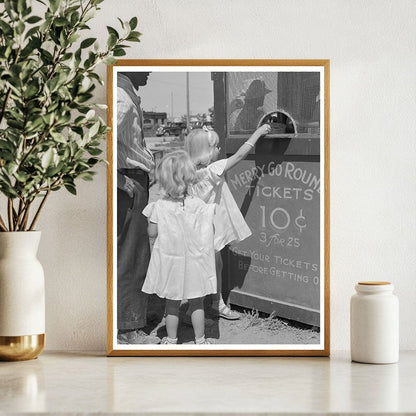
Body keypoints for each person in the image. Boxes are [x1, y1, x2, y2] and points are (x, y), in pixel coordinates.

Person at [185, 123, 271, 320]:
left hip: (195, 228)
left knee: (205, 267)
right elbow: (240, 155)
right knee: (215, 266)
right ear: (206, 152)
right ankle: (215, 305)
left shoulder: (188, 172)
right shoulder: (213, 170)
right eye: (215, 147)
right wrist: (257, 133)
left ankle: (196, 306)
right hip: (211, 227)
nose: (219, 150)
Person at [142, 150, 217, 345]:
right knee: (197, 301)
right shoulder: (198, 205)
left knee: (172, 303)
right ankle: (200, 340)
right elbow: (210, 228)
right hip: (194, 261)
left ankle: (171, 338)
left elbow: (151, 233)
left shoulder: (159, 206)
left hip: (170, 261)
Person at [117, 71, 160, 344]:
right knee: (131, 256)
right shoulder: (121, 96)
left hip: (133, 177)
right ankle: (126, 327)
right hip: (127, 180)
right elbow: (96, 141)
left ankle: (130, 318)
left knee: (135, 252)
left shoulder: (126, 92)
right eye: (144, 64)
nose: (150, 70)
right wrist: (119, 179)